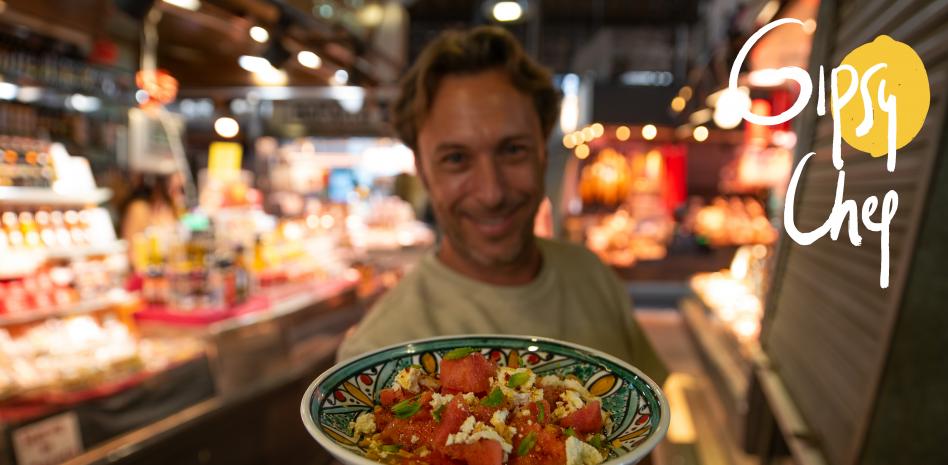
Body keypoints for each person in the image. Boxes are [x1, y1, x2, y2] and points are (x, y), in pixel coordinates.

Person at [337, 26, 667, 384]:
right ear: (424, 172)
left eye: (513, 150)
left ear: (543, 150)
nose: (492, 193)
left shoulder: (593, 277)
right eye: (456, 158)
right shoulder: (376, 357)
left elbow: (647, 429)